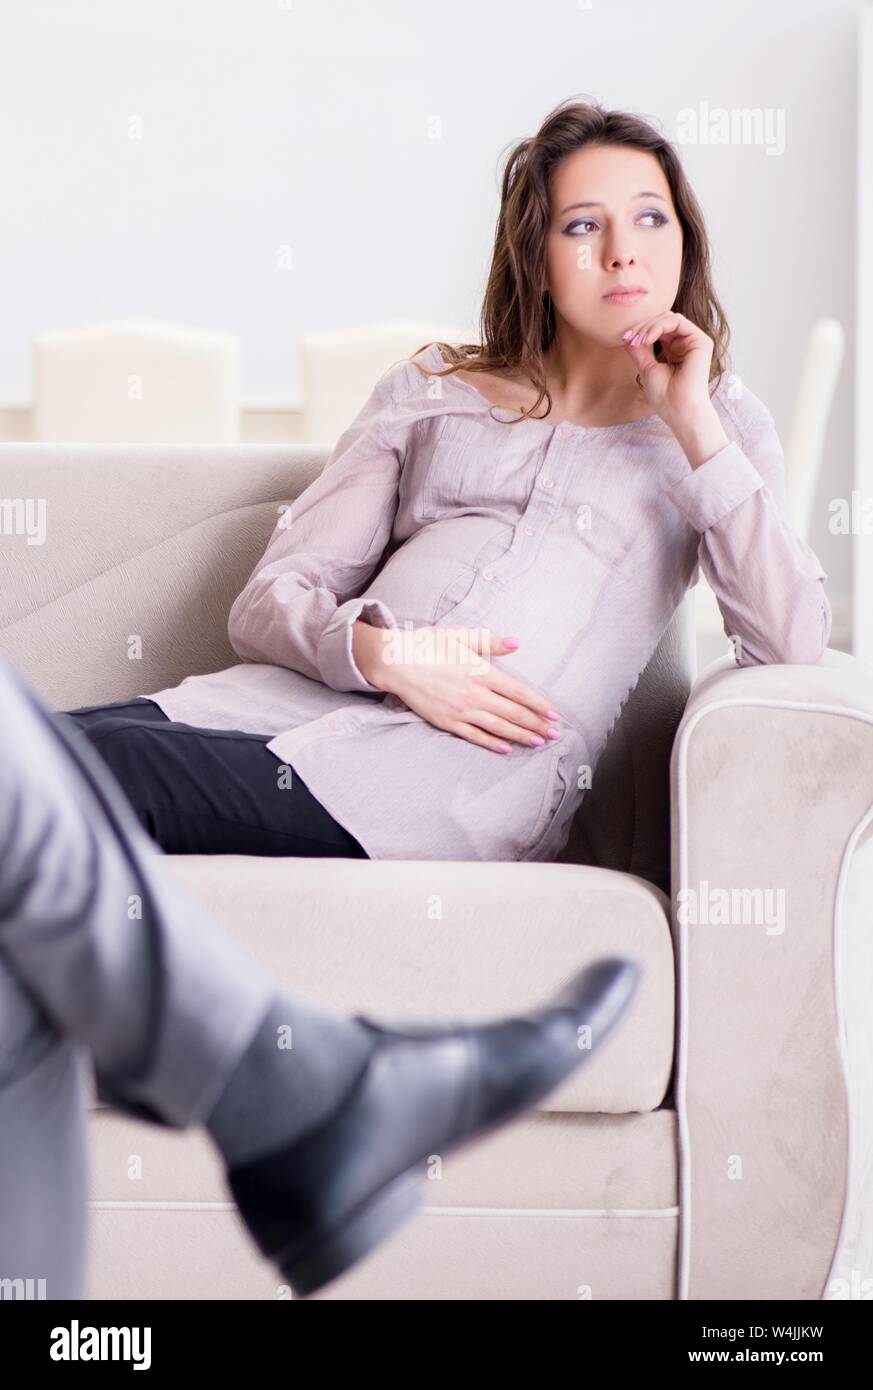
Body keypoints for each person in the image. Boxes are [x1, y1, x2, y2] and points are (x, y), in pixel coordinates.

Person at [55, 99, 831, 866]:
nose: (624, 251)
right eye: (584, 225)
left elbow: (787, 641)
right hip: (271, 712)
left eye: (650, 218)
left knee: (102, 774)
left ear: (685, 243)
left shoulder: (720, 425)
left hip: (443, 781)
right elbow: (267, 602)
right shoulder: (429, 390)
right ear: (537, 254)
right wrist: (387, 657)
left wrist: (690, 420)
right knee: (35, 750)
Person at [0, 651, 640, 1300]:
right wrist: (384, 655)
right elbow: (275, 602)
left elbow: (755, 626)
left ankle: (291, 1091)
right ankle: (287, 1090)